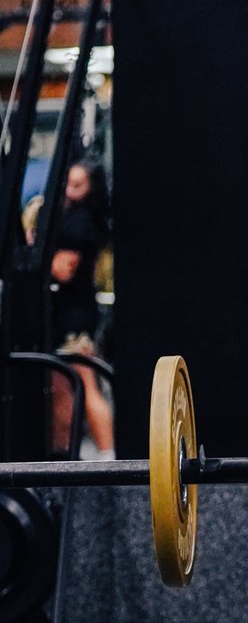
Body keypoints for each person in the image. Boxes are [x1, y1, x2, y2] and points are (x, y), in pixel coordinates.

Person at [48, 159, 115, 459]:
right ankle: (65, 455)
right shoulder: (71, 217)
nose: (69, 191)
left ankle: (107, 455)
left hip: (75, 314)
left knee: (85, 382)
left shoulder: (80, 222)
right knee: (61, 386)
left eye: (77, 185)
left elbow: (63, 270)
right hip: (65, 313)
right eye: (68, 184)